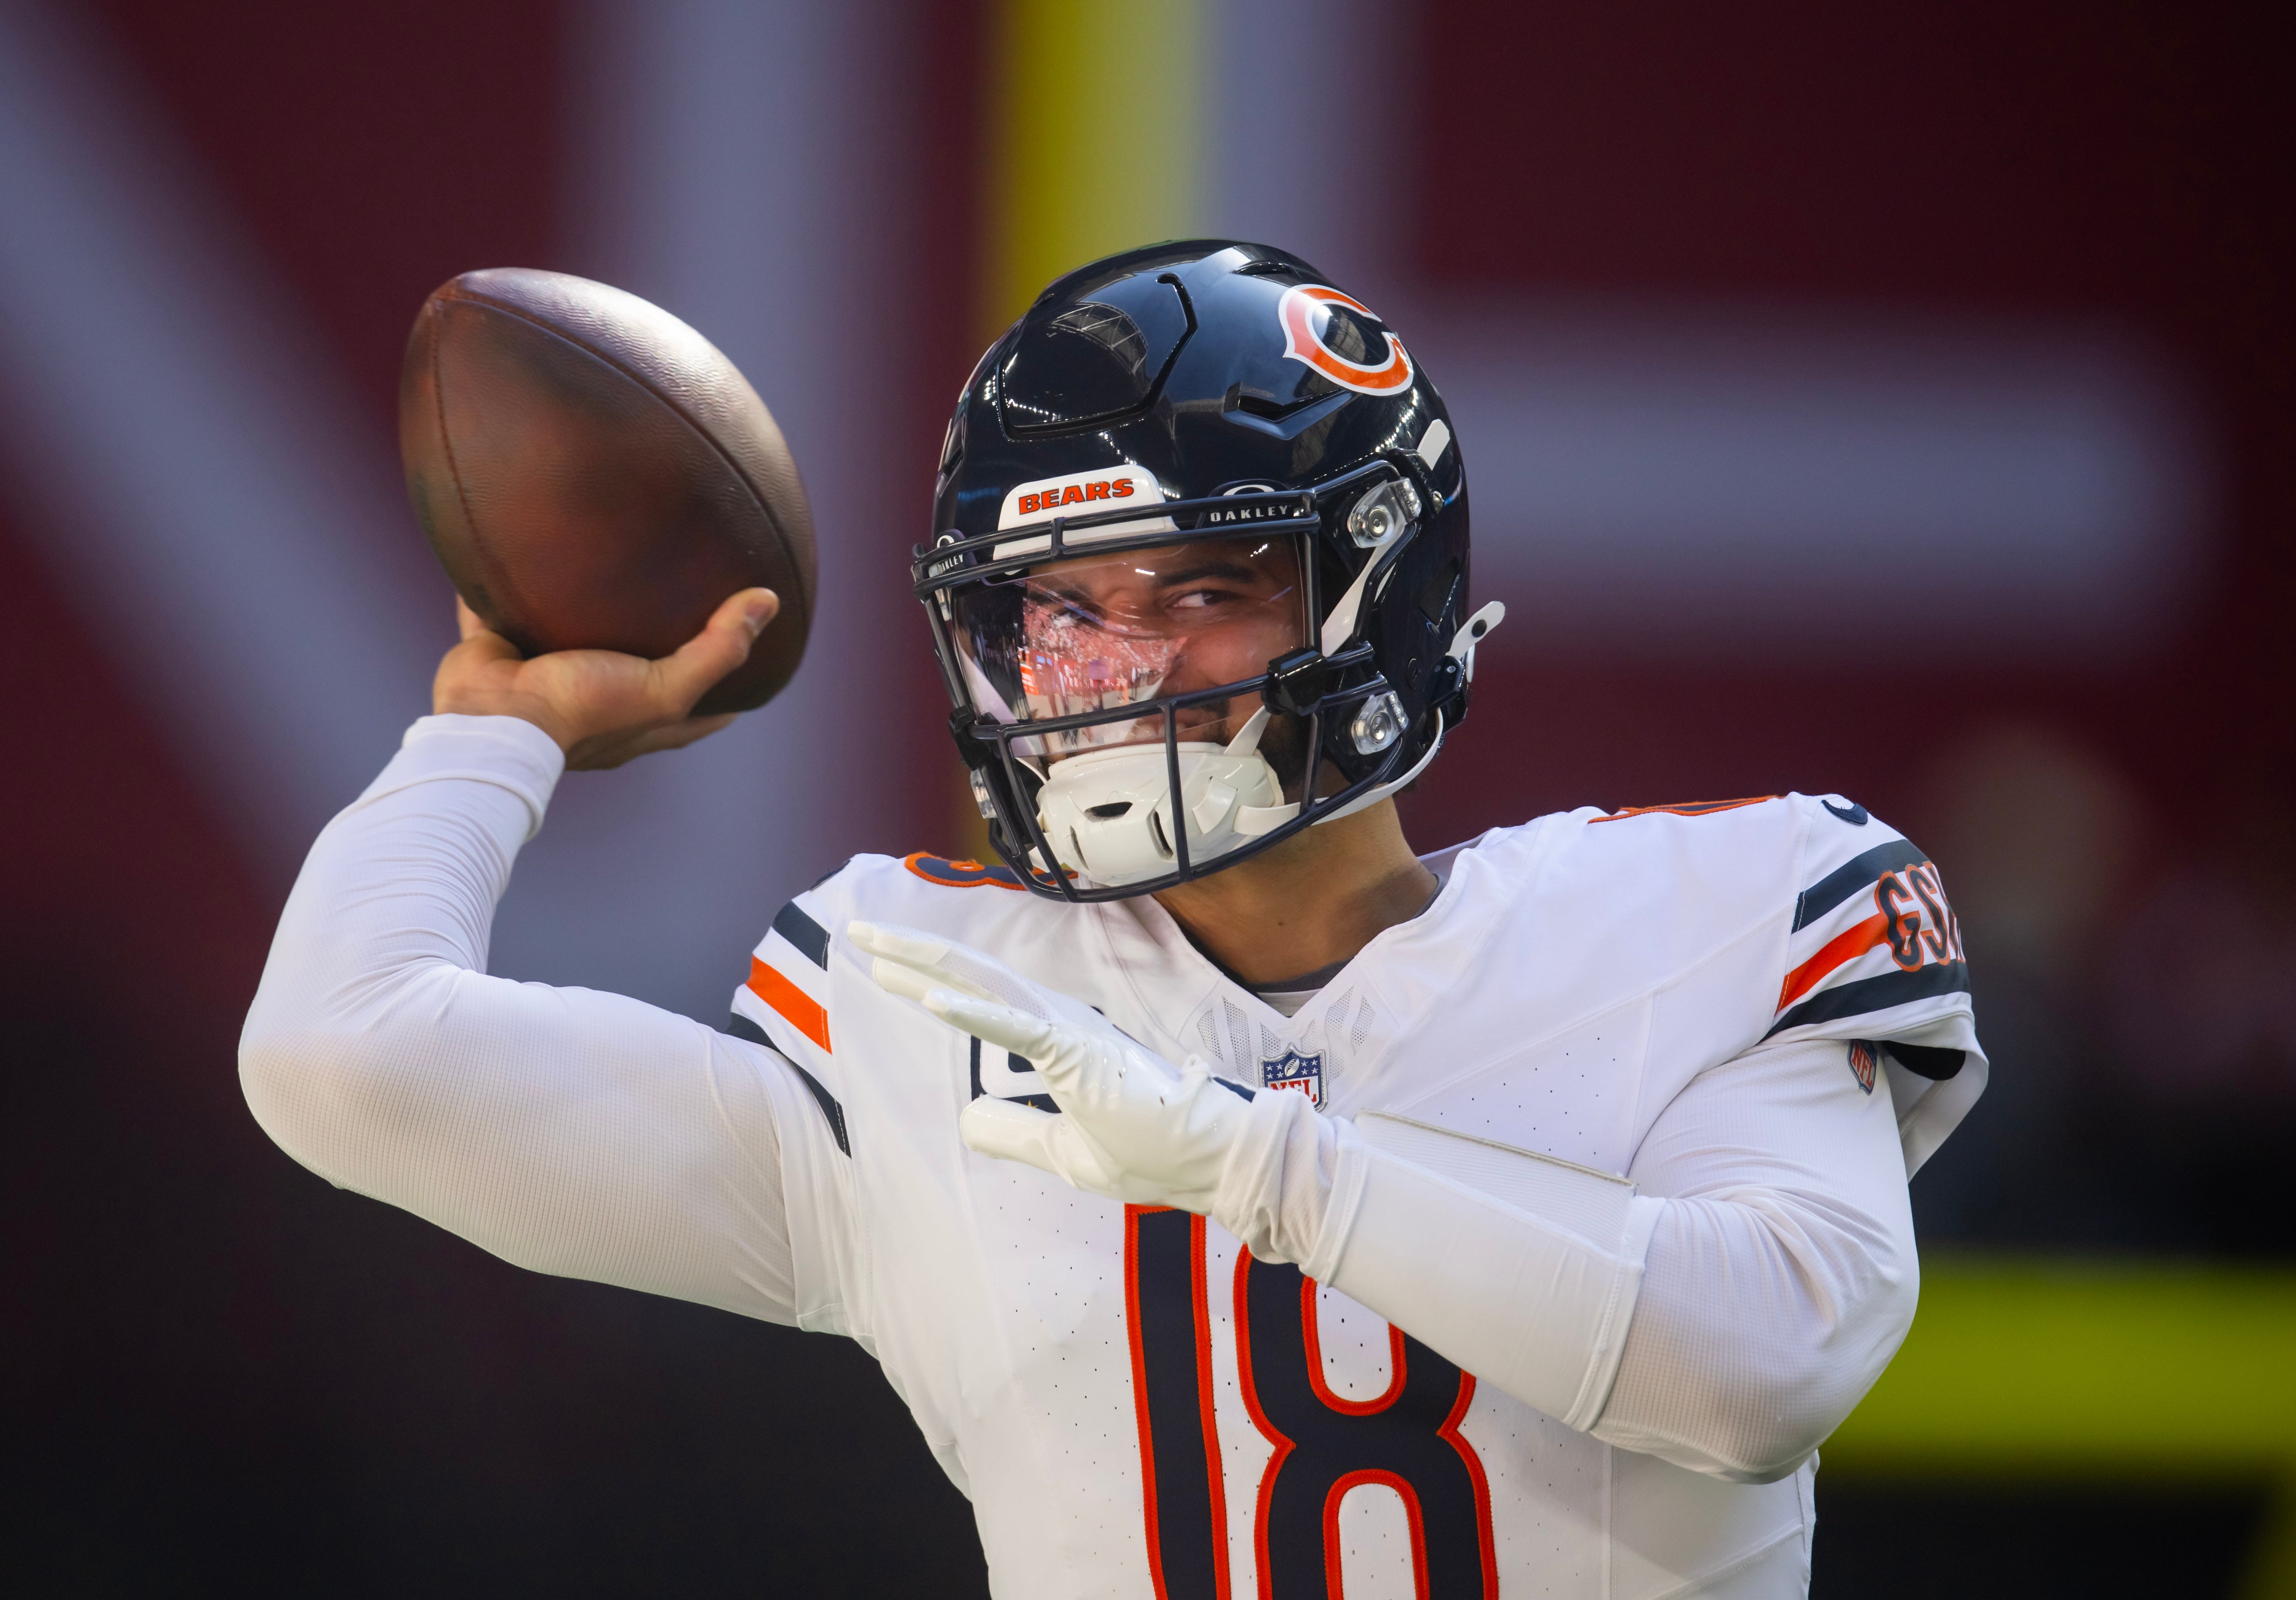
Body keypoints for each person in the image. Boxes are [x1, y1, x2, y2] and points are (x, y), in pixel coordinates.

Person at [241, 241, 1985, 1599]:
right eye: (1054, 609)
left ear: (1389, 585)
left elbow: (1765, 1368)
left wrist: (1263, 1168)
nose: (1108, 667)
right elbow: (342, 1058)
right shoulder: (935, 1003)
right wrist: (490, 736)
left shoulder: (1713, 908)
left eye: (1198, 589)